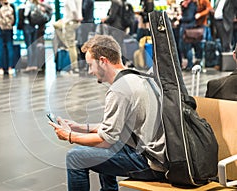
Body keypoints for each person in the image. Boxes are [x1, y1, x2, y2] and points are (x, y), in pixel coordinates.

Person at [49, 35, 166, 191]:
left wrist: (69, 136)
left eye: (91, 65)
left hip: (149, 163)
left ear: (103, 61)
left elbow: (106, 140)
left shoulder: (119, 90)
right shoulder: (138, 77)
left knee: (75, 157)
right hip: (158, 155)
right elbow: (113, 128)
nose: (90, 71)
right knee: (104, 147)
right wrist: (79, 127)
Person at [53, 0, 83, 74]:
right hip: (72, 22)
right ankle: (67, 45)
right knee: (56, 25)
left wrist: (77, 17)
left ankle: (74, 68)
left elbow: (73, 9)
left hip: (70, 22)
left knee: (71, 46)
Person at [0, 0, 16, 75]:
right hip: (9, 29)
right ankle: (10, 68)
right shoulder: (11, 6)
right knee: (10, 47)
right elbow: (14, 20)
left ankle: (1, 68)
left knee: (0, 48)